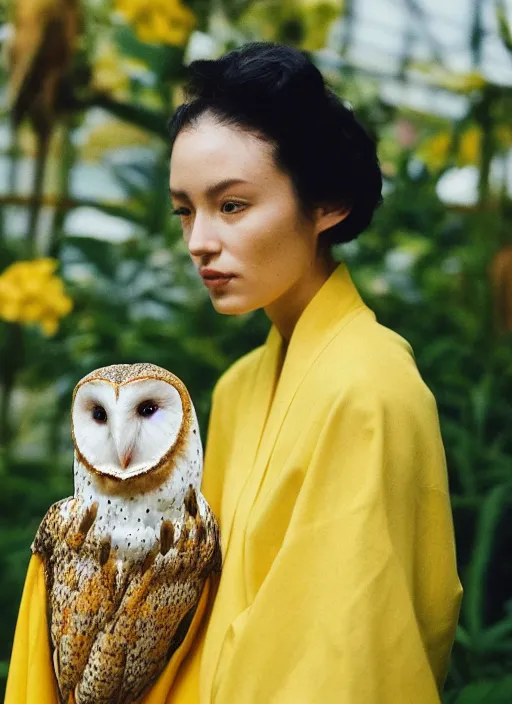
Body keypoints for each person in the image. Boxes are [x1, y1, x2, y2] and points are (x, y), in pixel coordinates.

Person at [6, 41, 463, 704]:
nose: (199, 242)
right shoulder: (240, 385)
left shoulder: (369, 389)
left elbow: (350, 648)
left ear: (327, 202)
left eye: (233, 206)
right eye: (185, 210)